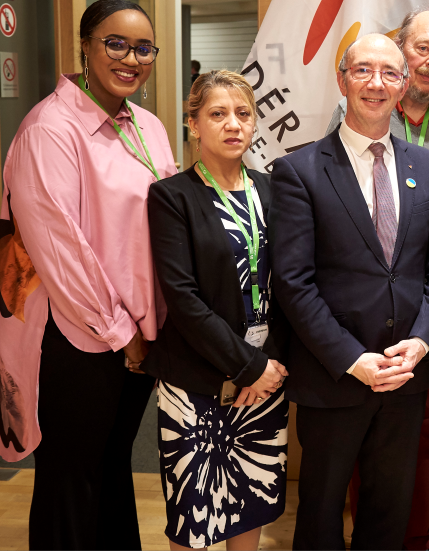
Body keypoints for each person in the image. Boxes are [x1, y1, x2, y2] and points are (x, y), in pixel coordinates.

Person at [0, 0, 176, 549]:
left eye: (143, 48)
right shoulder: (50, 129)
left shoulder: (147, 126)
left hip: (138, 333)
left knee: (111, 468)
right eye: (116, 43)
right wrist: (123, 335)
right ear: (84, 47)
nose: (131, 58)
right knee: (70, 478)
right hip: (75, 338)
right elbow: (62, 251)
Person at [271, 33, 429, 550]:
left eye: (388, 73)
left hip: (405, 376)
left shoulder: (428, 168)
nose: (376, 83)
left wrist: (420, 345)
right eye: (362, 71)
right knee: (321, 512)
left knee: (389, 512)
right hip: (334, 376)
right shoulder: (298, 172)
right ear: (342, 80)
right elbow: (293, 281)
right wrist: (353, 359)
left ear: (403, 86)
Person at [326, 8, 429, 549]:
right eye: (422, 49)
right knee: (360, 434)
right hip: (360, 314)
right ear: (401, 49)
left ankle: (413, 534)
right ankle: (367, 528)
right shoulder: (360, 108)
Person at [143, 70, 289, 550]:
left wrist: (266, 367)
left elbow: (291, 285)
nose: (233, 125)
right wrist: (245, 367)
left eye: (243, 114)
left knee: (251, 498)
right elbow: (183, 299)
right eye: (217, 114)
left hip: (266, 377)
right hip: (197, 378)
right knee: (194, 512)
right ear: (193, 125)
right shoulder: (172, 196)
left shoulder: (273, 191)